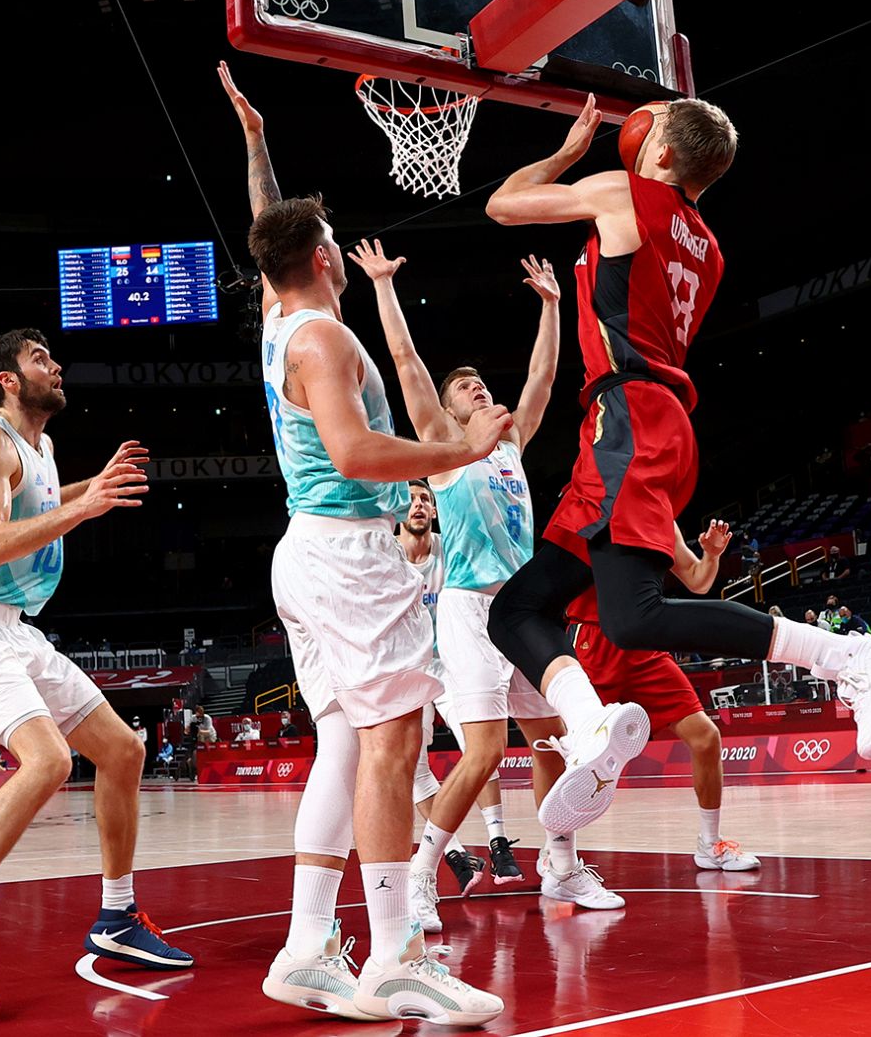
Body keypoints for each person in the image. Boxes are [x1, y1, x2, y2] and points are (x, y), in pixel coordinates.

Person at [482, 95, 871, 835]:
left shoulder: (625, 193)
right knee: (517, 608)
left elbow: (503, 205)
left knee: (633, 616)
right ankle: (589, 723)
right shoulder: (708, 249)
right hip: (643, 421)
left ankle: (850, 658)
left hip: (631, 420)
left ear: (662, 153)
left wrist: (567, 150)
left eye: (639, 135)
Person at [221, 61, 504, 1025]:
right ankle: (395, 957)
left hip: (304, 553)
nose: (340, 247)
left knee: (342, 741)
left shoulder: (280, 317)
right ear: (329, 256)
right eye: (334, 239)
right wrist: (450, 453)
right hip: (347, 550)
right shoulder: (325, 343)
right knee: (392, 740)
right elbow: (350, 447)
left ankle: (306, 947)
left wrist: (258, 145)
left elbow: (273, 236)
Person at [0, 329, 190, 1014]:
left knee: (123, 750)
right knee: (49, 761)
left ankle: (116, 916)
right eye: (38, 358)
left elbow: (41, 501)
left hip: (11, 626)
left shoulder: (41, 448)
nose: (55, 365)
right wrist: (84, 508)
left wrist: (96, 485)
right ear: (7, 379)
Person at [346, 237, 596, 921]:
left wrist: (552, 305)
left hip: (522, 608)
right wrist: (383, 287)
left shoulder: (509, 444)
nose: (476, 386)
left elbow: (543, 381)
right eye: (465, 386)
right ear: (451, 410)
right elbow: (406, 363)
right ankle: (424, 872)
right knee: (485, 750)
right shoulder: (447, 450)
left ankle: (562, 864)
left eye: (480, 381)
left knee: (551, 741)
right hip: (466, 611)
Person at [566, 521, 759, 871]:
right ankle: (559, 858)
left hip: (645, 648)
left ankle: (709, 844)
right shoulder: (587, 509)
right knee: (576, 757)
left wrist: (711, 555)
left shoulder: (659, 517)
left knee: (705, 738)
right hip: (594, 643)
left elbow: (698, 581)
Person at [396, 480, 517, 900]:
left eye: (426, 500)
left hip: (450, 661)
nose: (419, 506)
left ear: (434, 511)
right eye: (411, 500)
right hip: (406, 669)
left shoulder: (450, 548)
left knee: (478, 746)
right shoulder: (387, 556)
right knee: (414, 770)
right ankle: (457, 854)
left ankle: (499, 842)